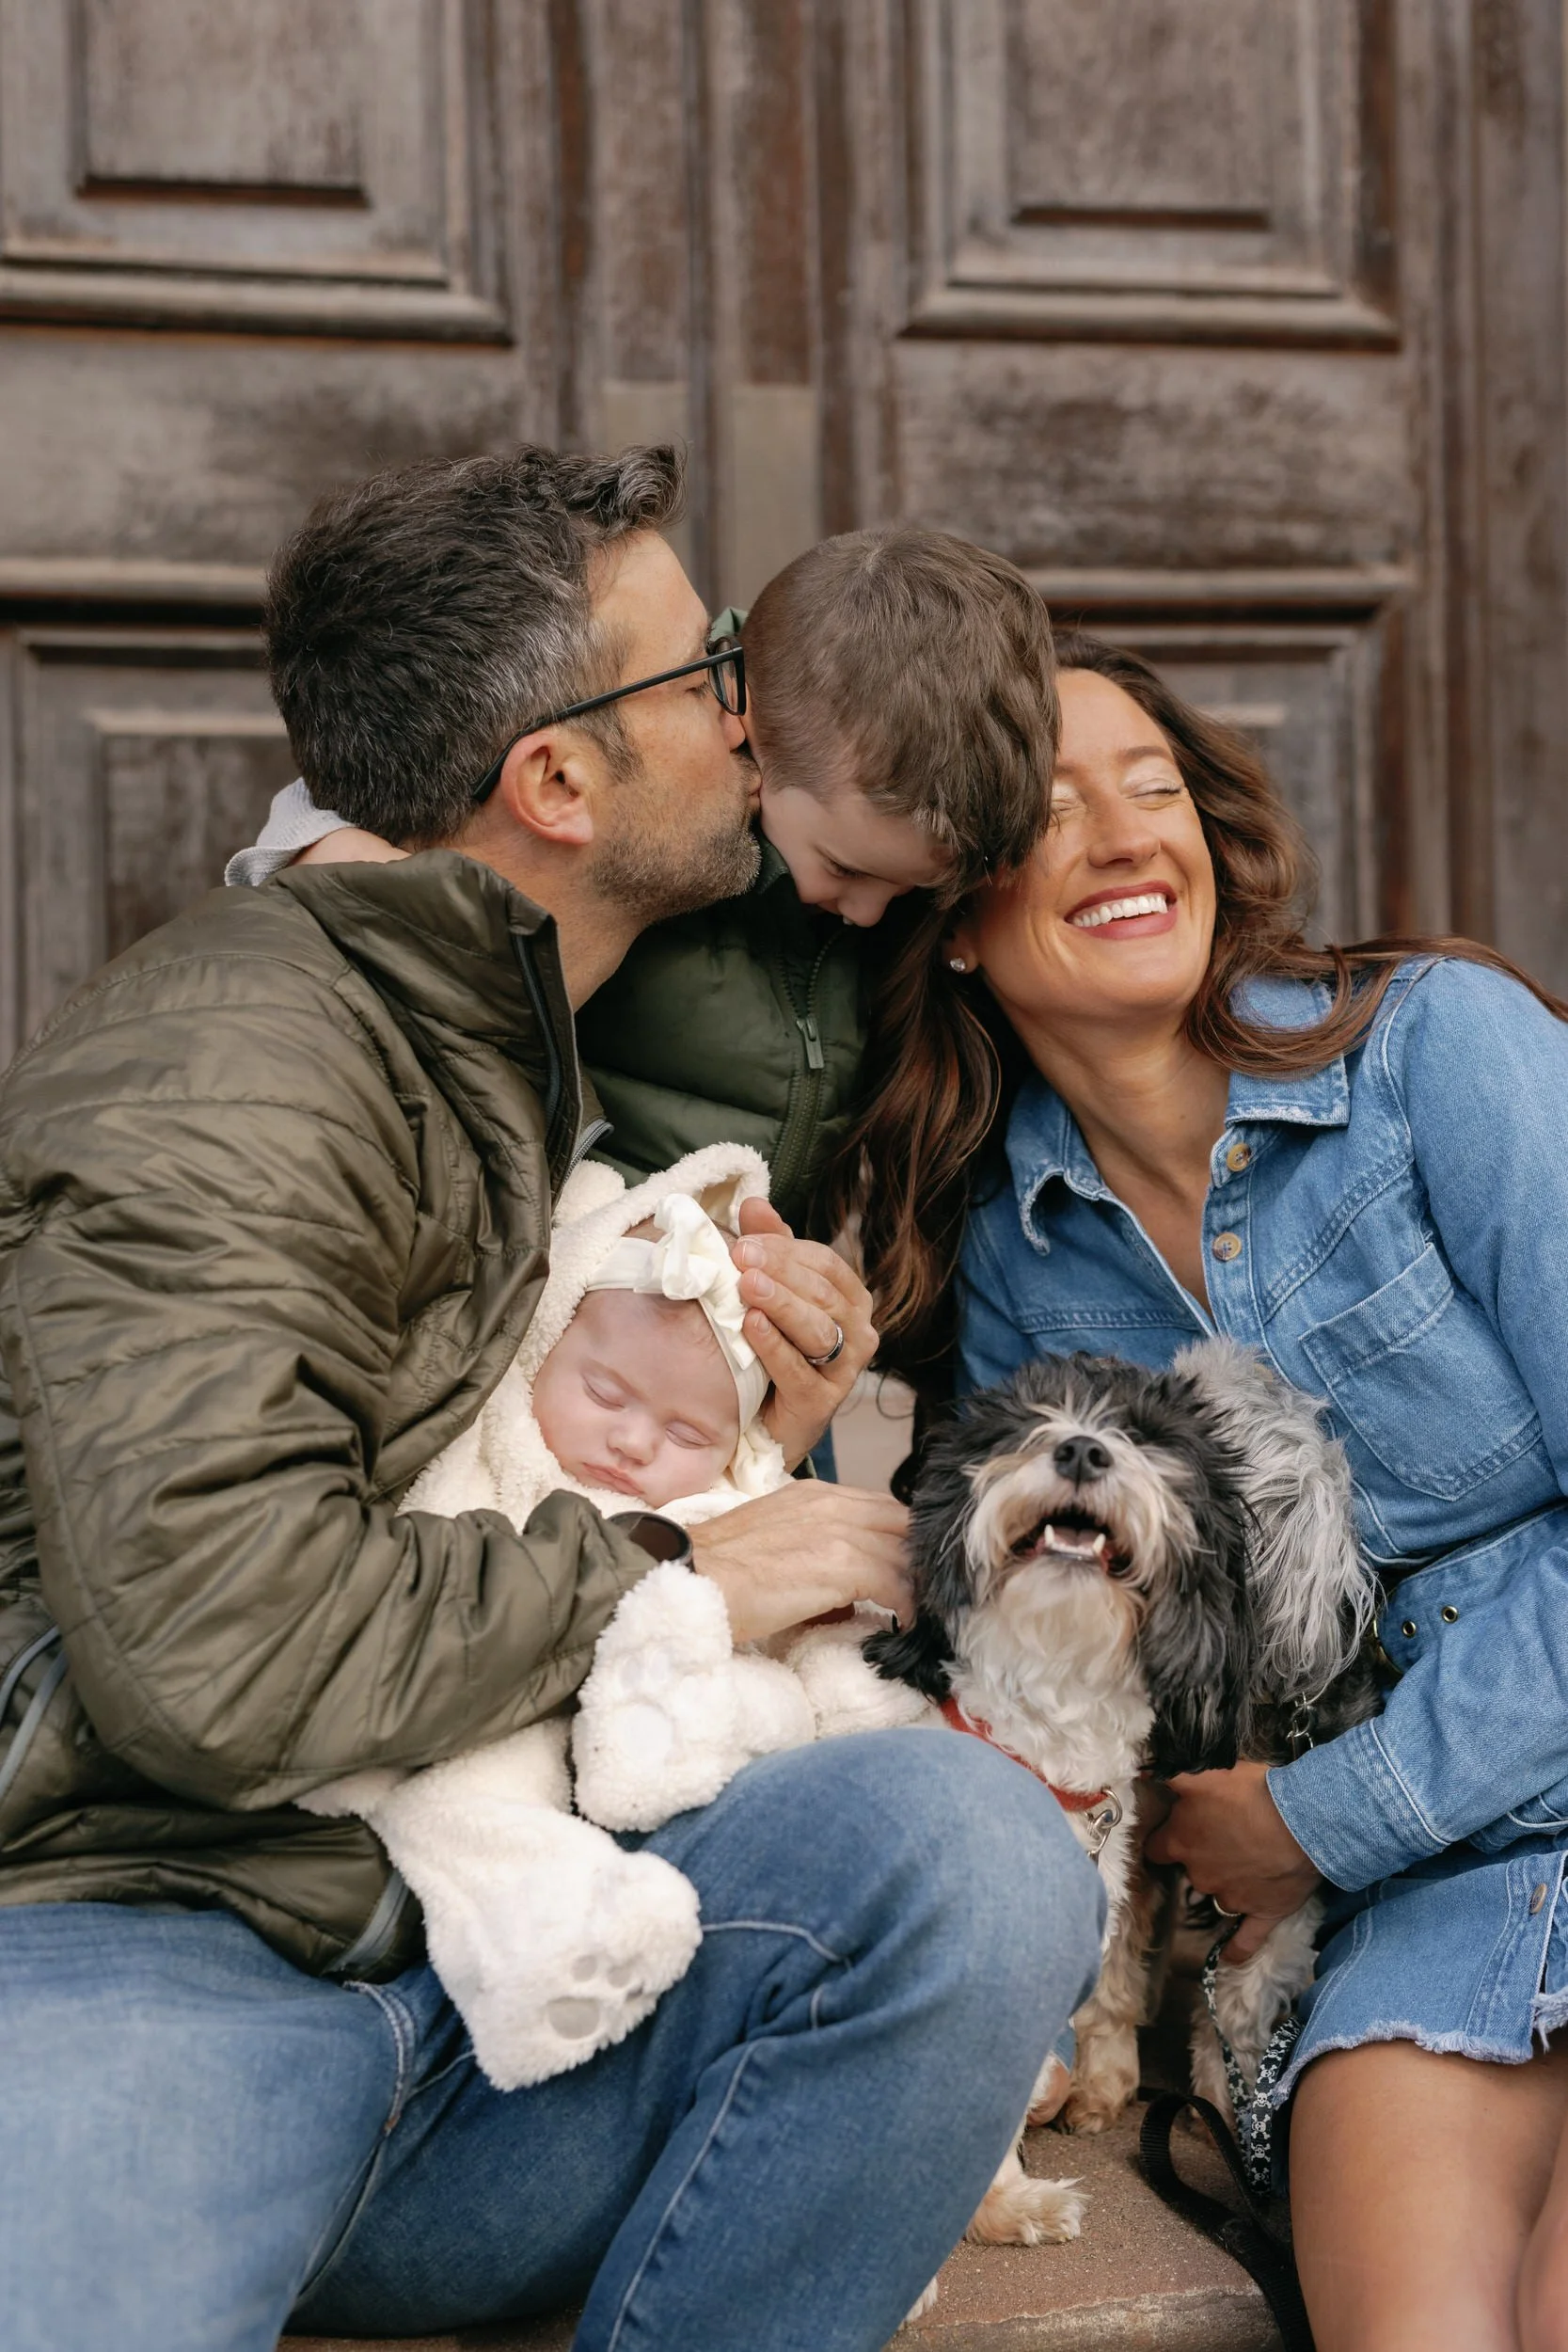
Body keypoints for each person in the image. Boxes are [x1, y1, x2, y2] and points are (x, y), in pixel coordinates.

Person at [0, 447, 1103, 2352]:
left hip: (529, 1956)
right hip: (172, 1943)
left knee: (972, 1860)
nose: (753, 713)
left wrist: (719, 1385)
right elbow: (217, 1645)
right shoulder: (232, 1068)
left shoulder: (528, 1039)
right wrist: (679, 1561)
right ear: (557, 780)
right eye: (705, 676)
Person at [840, 626, 1568, 2352]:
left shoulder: (1429, 1055)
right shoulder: (1013, 1264)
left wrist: (1328, 1813)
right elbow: (1013, 1633)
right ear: (950, 912)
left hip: (1405, 1812)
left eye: (1150, 787)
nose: (1121, 836)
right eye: (1047, 810)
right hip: (1434, 1897)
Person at [230, 522, 1059, 1233]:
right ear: (750, 732)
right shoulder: (664, 819)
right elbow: (401, 783)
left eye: (906, 890)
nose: (871, 914)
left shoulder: (883, 800)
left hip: (754, 1284)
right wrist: (318, 842)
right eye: (845, 870)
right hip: (592, 1269)